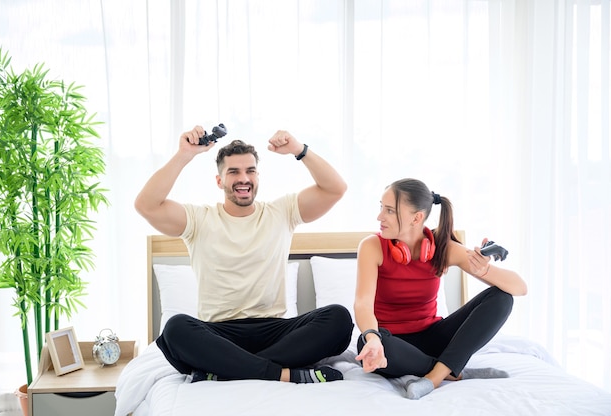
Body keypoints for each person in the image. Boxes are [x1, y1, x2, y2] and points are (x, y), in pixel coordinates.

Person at [135, 125, 353, 384]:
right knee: (175, 329)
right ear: (219, 180)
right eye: (234, 172)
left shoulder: (281, 213)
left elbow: (335, 189)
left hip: (274, 330)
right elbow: (146, 205)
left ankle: (227, 369)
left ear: (258, 177)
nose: (244, 178)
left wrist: (299, 150)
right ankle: (281, 373)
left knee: (339, 318)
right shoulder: (198, 219)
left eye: (250, 171)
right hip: (218, 333)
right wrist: (185, 154)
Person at [354, 178, 527, 399]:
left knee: (502, 298)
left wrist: (484, 271)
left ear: (416, 218)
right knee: (365, 343)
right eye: (381, 207)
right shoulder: (372, 246)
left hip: (434, 339)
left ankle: (435, 376)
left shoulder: (442, 248)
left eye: (389, 210)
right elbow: (363, 304)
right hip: (391, 343)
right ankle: (452, 370)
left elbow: (520, 287)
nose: (380, 217)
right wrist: (372, 338)